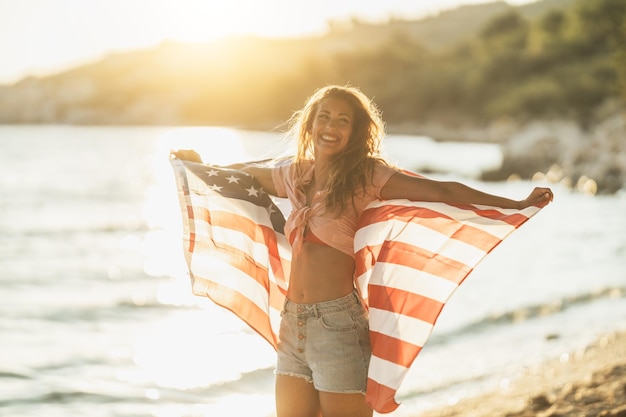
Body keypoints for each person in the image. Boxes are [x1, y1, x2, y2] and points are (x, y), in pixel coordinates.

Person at [171, 85, 553, 417]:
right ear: (310, 123)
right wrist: (200, 167)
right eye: (324, 117)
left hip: (338, 325)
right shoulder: (295, 174)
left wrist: (512, 203)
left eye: (342, 120)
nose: (330, 127)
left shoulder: (367, 175)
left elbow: (442, 191)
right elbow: (248, 177)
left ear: (355, 132)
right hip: (293, 324)